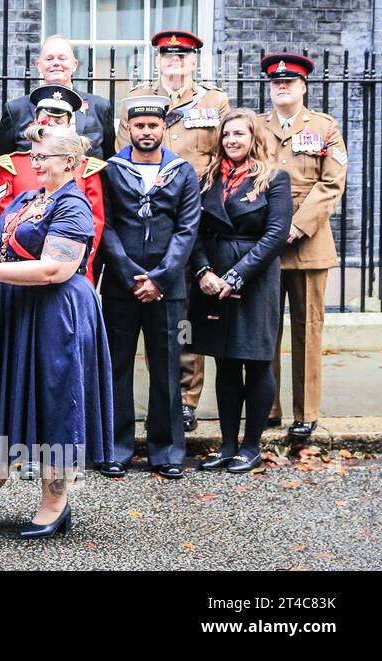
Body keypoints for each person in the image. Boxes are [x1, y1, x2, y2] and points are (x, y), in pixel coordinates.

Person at [0, 124, 115, 539]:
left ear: (71, 162)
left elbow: (54, 269)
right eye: (33, 155)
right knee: (1, 398)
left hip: (57, 312)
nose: (34, 163)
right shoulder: (26, 199)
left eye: (43, 156)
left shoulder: (73, 205)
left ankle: (54, 503)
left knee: (56, 405)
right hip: (15, 309)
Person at [118, 29, 231, 434]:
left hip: (194, 221)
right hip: (146, 223)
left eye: (182, 57)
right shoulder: (138, 100)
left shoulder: (214, 102)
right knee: (146, 322)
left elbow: (223, 157)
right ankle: (144, 408)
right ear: (158, 60)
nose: (175, 63)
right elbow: (120, 160)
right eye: (168, 56)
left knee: (185, 320)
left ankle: (185, 400)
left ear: (194, 61)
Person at [97, 96, 201, 480]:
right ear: (128, 128)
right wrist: (129, 274)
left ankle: (168, 450)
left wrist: (159, 277)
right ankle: (115, 448)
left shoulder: (183, 172)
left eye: (153, 126)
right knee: (117, 367)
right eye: (138, 125)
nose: (146, 132)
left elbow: (187, 229)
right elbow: (104, 225)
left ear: (164, 128)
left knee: (167, 368)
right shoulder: (111, 170)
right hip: (122, 287)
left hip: (168, 289)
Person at [189, 109, 292, 473]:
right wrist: (203, 271)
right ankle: (228, 444)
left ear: (254, 138)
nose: (232, 140)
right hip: (213, 278)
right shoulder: (208, 178)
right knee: (226, 361)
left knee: (257, 361)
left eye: (240, 134)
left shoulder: (275, 179)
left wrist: (236, 275)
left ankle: (251, 446)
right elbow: (197, 231)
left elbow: (276, 234)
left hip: (256, 279)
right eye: (227, 134)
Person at [258, 54, 348, 438]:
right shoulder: (256, 127)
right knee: (265, 330)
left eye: (290, 82)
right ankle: (269, 407)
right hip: (263, 243)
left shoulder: (325, 128)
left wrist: (295, 225)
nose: (282, 86)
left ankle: (306, 413)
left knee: (308, 329)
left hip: (308, 243)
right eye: (277, 82)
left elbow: (332, 184)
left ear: (303, 86)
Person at [0, 84, 106, 285]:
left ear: (70, 125)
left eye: (58, 121)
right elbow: (4, 221)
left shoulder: (88, 169)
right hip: (15, 272)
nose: (51, 126)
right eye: (46, 120)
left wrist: (76, 263)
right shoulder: (13, 165)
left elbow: (94, 227)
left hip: (65, 271)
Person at [0, 35, 114, 158]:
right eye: (49, 59)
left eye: (62, 58)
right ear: (38, 65)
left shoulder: (100, 107)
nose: (56, 63)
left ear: (74, 65)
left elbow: (110, 160)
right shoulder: (15, 110)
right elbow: (2, 163)